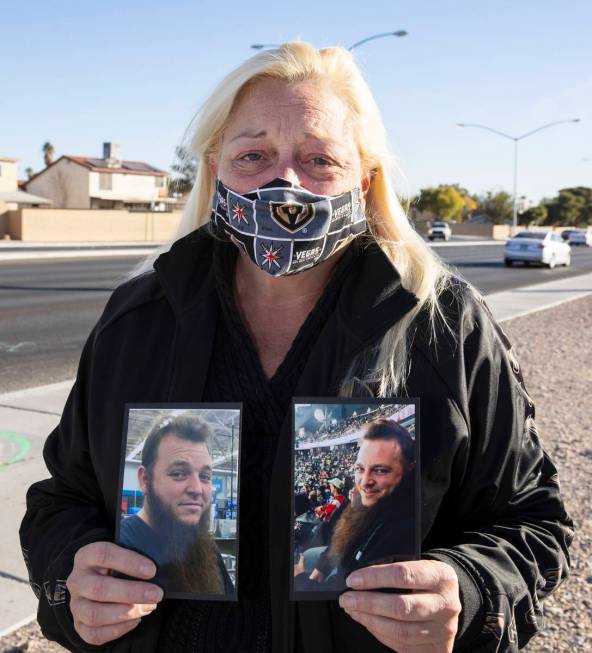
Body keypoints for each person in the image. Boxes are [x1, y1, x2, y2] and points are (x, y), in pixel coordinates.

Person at [20, 42, 572, 653]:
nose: (285, 184)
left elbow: (532, 522)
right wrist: (70, 580)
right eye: (253, 154)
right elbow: (62, 499)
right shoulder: (138, 320)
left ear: (363, 181)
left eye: (318, 160)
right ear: (214, 169)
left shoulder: (443, 326)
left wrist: (467, 595)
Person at [119, 414, 234, 596]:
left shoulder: (208, 552)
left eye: (205, 476)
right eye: (179, 473)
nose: (197, 489)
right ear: (145, 479)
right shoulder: (119, 547)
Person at [297, 419, 416, 588]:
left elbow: (344, 589)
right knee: (310, 555)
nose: (364, 482)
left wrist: (301, 579)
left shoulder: (401, 528)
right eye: (360, 469)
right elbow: (338, 543)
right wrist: (318, 572)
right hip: (341, 562)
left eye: (380, 470)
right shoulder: (363, 502)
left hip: (348, 582)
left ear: (409, 470)